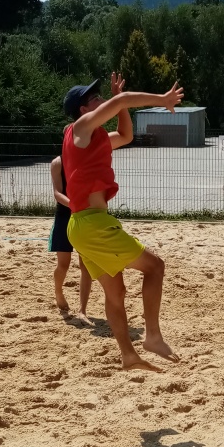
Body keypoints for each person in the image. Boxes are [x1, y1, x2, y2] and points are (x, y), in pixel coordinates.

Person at [62, 73, 184, 373]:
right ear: (83, 109)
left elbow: (126, 136)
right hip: (93, 225)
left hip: (81, 226)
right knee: (155, 267)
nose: (102, 99)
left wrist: (120, 103)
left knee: (115, 293)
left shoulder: (93, 138)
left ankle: (128, 355)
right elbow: (124, 101)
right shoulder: (81, 127)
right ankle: (152, 337)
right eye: (95, 98)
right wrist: (162, 100)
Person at [49, 152, 93, 325]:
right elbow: (57, 193)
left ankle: (83, 310)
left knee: (85, 264)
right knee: (63, 264)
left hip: (86, 216)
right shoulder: (57, 163)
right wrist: (75, 205)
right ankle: (58, 292)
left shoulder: (88, 160)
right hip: (65, 216)